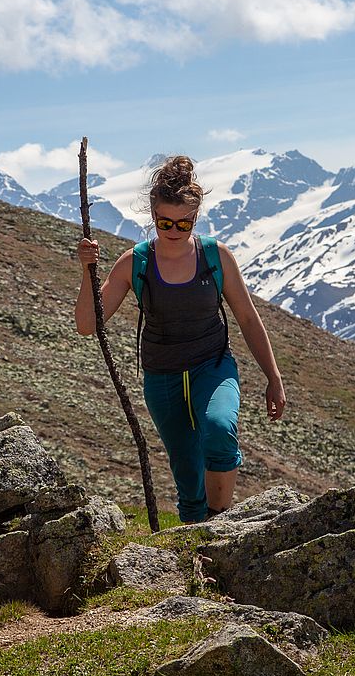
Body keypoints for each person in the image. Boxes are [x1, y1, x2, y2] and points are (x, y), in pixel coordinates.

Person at [75, 155, 287, 523]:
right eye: (164, 222)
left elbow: (248, 319)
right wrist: (86, 271)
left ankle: (219, 523)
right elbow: (86, 324)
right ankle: (195, 555)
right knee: (188, 478)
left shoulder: (216, 257)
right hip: (163, 379)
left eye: (183, 223)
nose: (173, 230)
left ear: (196, 218)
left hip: (214, 367)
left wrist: (274, 378)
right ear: (153, 215)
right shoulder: (135, 263)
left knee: (221, 430)